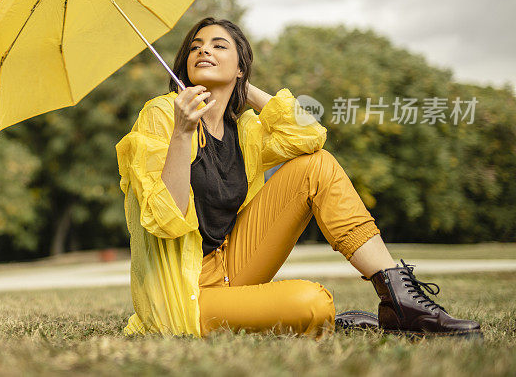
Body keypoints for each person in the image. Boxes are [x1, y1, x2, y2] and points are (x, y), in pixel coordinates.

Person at [115, 17, 482, 339]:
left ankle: (397, 299)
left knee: (316, 165)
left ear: (241, 65)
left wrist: (241, 91)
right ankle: (294, 314)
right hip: (187, 290)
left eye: (218, 45)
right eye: (194, 47)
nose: (203, 51)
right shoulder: (162, 115)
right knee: (313, 303)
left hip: (234, 263)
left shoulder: (243, 130)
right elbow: (165, 220)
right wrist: (182, 133)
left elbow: (309, 136)